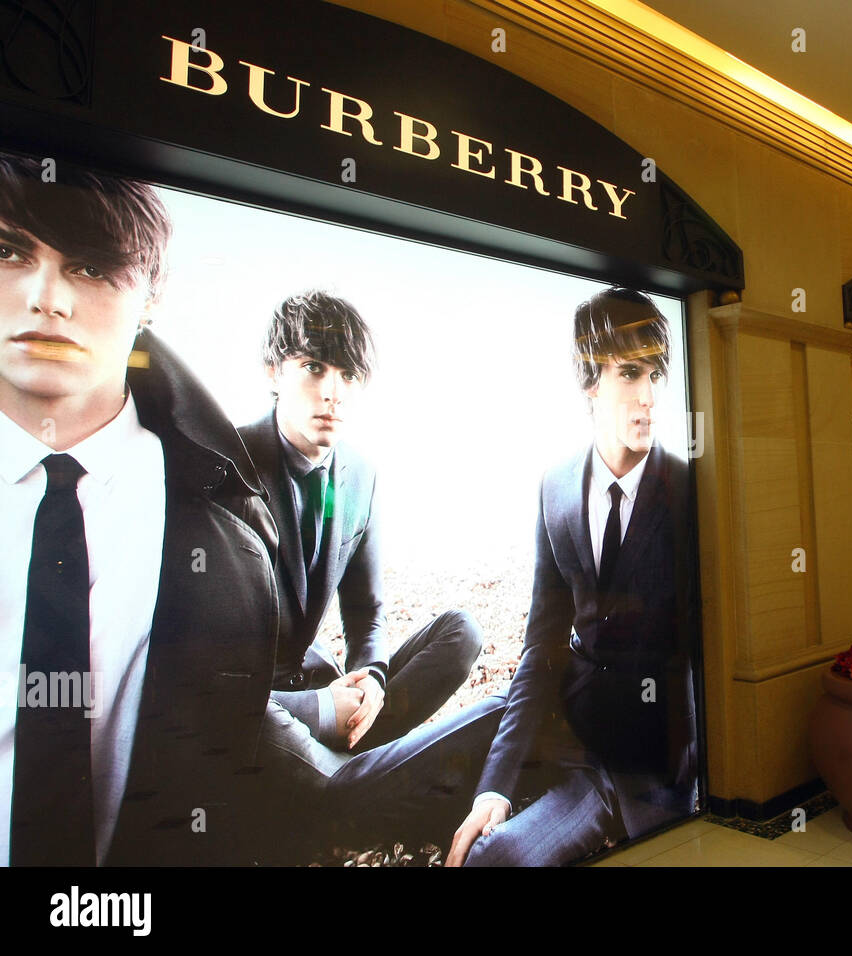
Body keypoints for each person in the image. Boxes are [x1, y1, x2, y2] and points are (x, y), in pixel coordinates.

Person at [0, 151, 278, 864]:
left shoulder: (227, 518)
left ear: (153, 294)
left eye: (91, 266)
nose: (47, 298)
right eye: (8, 250)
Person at [240, 290, 503, 857]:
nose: (333, 392)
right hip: (251, 709)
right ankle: (354, 787)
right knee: (496, 715)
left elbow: (366, 610)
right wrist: (316, 711)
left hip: (319, 684)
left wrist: (373, 680)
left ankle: (362, 770)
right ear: (273, 371)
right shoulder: (226, 464)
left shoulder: (359, 475)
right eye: (313, 368)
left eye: (348, 373)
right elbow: (198, 676)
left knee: (462, 632)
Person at [447, 286, 699, 867]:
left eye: (657, 375)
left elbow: (710, 646)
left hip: (661, 766)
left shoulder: (690, 491)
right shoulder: (554, 487)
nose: (649, 397)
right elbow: (542, 644)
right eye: (630, 375)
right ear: (591, 382)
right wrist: (495, 786)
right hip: (575, 749)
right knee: (492, 859)